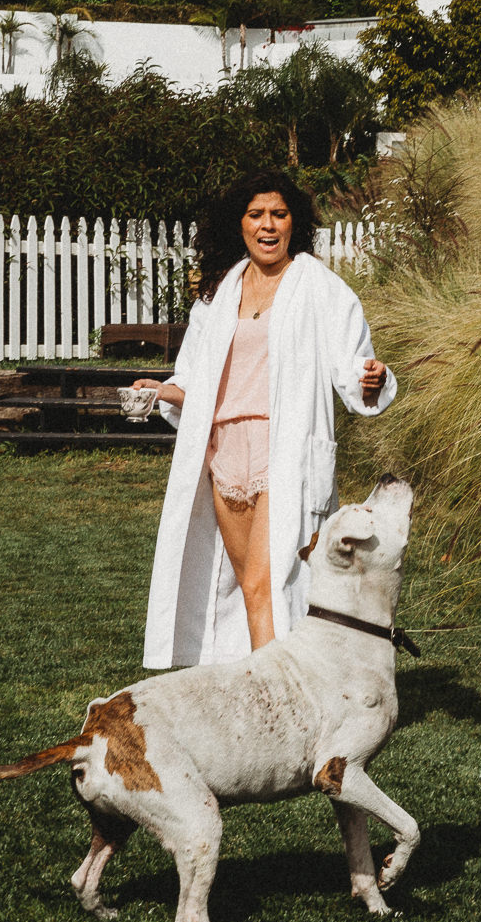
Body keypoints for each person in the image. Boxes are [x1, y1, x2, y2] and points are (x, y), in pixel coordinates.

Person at [133, 168, 396, 669]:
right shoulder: (218, 295)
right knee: (240, 585)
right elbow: (198, 378)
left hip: (285, 451)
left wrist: (372, 379)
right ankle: (261, 690)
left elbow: (354, 365)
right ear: (241, 224)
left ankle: (278, 703)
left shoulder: (321, 289)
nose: (268, 225)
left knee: (266, 582)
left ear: (295, 223)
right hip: (225, 453)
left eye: (279, 214)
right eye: (257, 215)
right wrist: (161, 389)